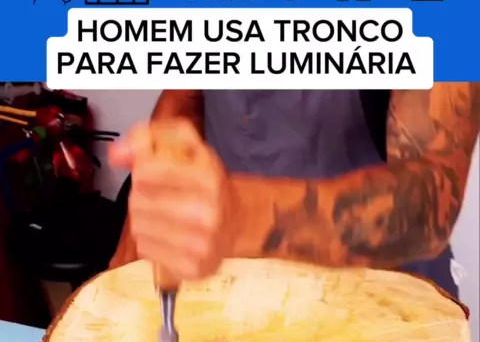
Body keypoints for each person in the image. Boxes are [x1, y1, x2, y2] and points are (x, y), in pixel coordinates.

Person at [109, 86, 480, 298]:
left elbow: (432, 200)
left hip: (385, 304)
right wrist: (152, 206)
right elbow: (186, 94)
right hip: (233, 293)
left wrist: (238, 216)